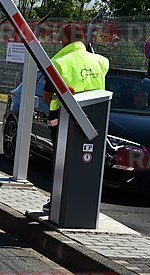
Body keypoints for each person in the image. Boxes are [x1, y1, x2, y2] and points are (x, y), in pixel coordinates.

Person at [42, 23, 109, 211]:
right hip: (96, 115)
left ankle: (57, 201)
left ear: (64, 40)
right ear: (84, 39)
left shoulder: (58, 62)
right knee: (86, 159)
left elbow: (48, 96)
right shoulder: (101, 62)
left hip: (62, 116)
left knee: (61, 159)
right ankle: (83, 203)